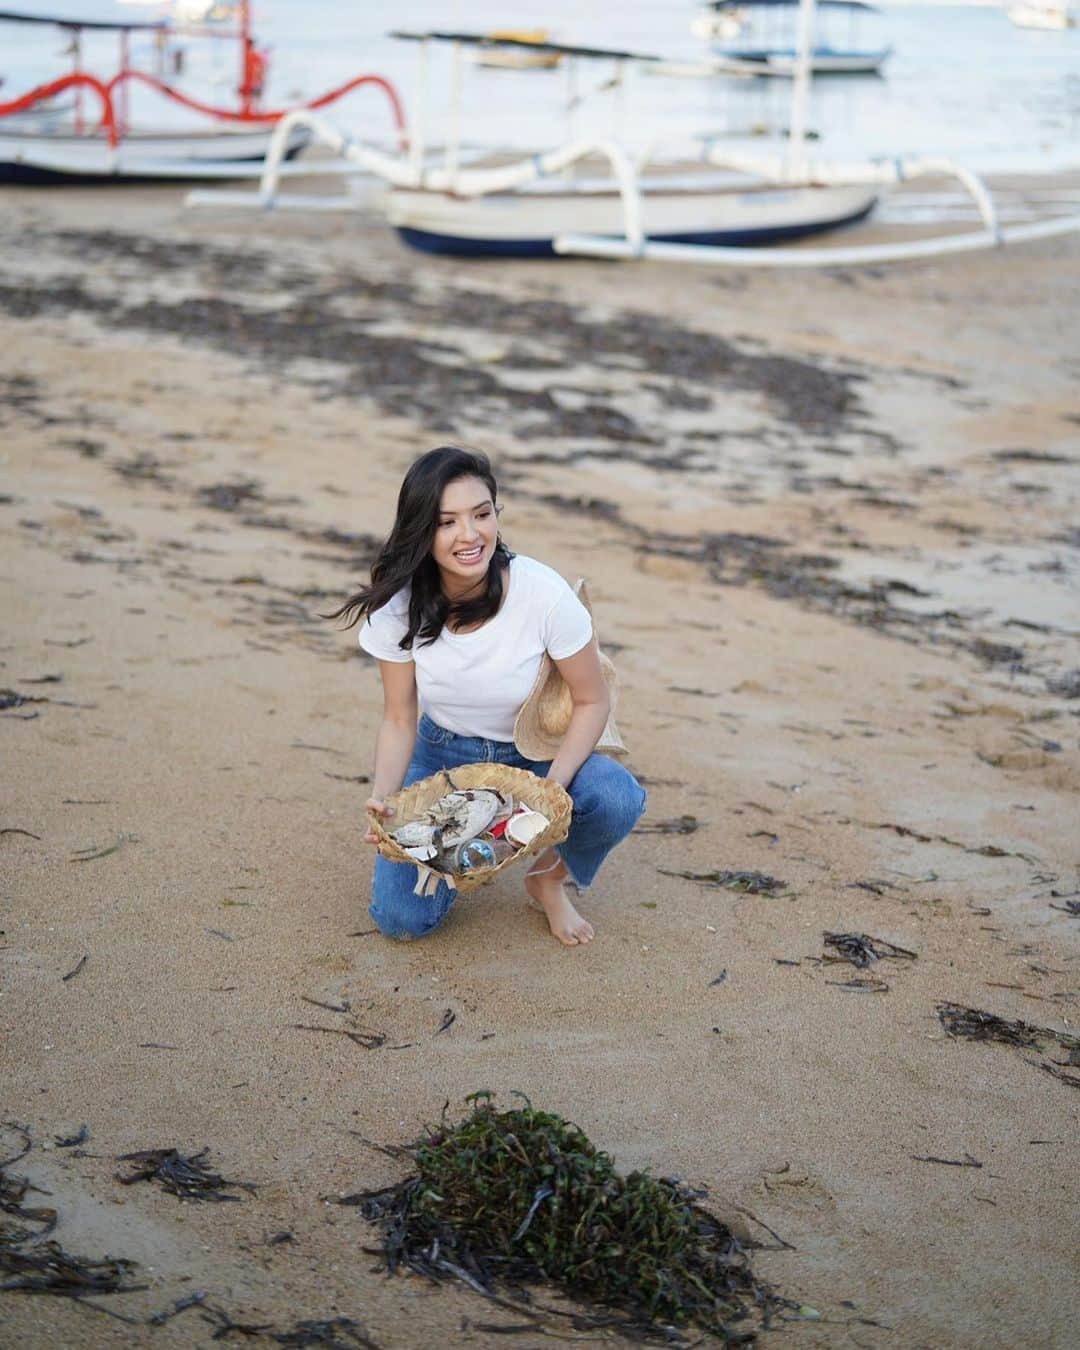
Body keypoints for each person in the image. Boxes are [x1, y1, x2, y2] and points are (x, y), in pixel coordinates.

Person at [329, 446, 646, 947]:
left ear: (497, 513)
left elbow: (592, 701)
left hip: (534, 754)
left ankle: (547, 878)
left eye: (481, 514)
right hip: (441, 756)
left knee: (614, 796)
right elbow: (397, 717)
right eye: (447, 522)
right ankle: (470, 853)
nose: (469, 534)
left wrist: (548, 795)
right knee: (401, 922)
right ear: (422, 530)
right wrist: (386, 800)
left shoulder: (542, 593)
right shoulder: (399, 606)